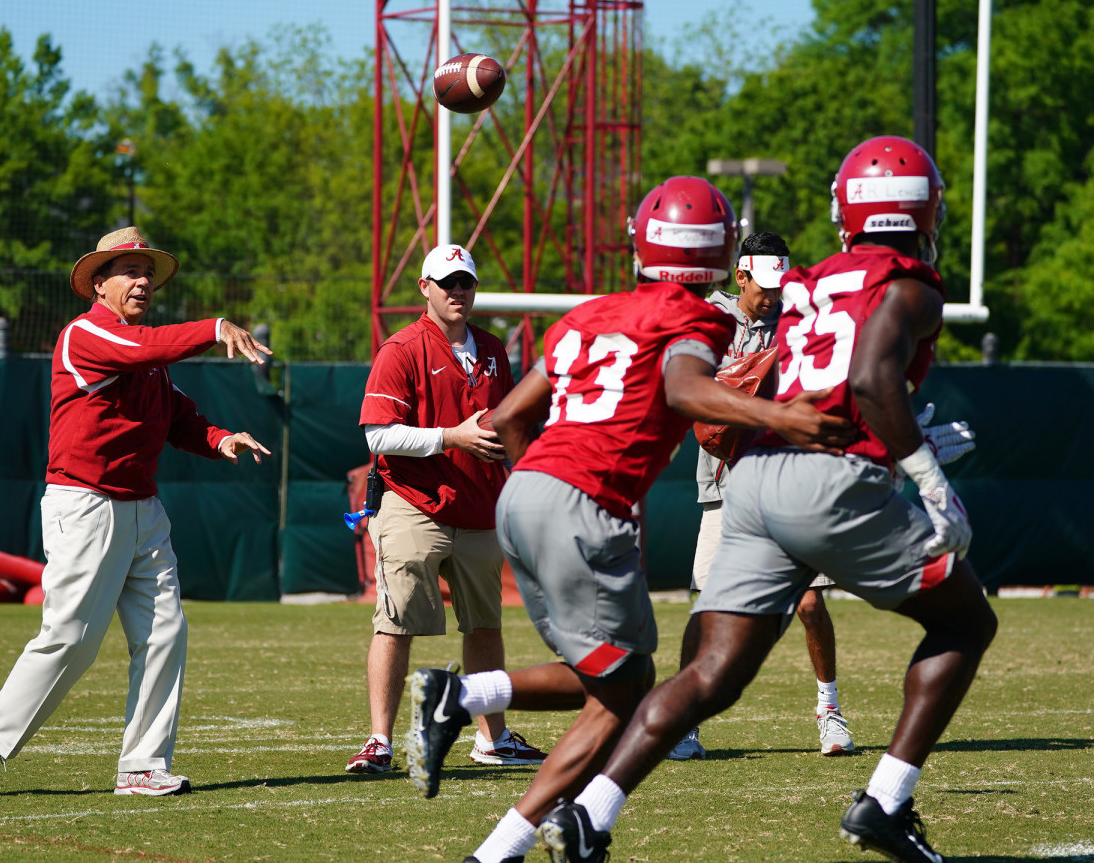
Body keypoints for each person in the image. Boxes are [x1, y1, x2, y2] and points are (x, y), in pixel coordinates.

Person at [537, 136, 998, 863]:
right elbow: (876, 379)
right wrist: (930, 479)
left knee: (711, 674)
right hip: (829, 479)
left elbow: (822, 378)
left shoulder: (812, 279)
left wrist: (891, 437)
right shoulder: (913, 284)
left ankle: (591, 812)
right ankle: (884, 803)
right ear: (924, 208)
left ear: (848, 210)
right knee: (967, 624)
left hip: (752, 478)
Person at [402, 177, 854, 863]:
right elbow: (685, 388)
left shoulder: (589, 314)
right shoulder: (701, 320)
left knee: (615, 686)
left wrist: (540, 481)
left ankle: (505, 844)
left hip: (523, 492)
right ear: (717, 256)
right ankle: (460, 697)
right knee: (632, 686)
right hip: (583, 504)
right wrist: (782, 414)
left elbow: (507, 418)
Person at [0, 226, 274, 798]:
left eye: (147, 271)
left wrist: (220, 438)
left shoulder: (143, 354)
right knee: (71, 638)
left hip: (141, 507)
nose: (143, 280)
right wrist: (214, 327)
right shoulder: (87, 336)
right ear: (98, 284)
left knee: (164, 635)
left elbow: (177, 415)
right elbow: (144, 349)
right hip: (85, 505)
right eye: (128, 270)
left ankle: (142, 764)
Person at [345, 244, 546, 775]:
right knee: (397, 622)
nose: (458, 291)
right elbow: (377, 434)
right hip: (415, 503)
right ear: (424, 287)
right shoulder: (401, 348)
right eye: (447, 282)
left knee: (485, 625)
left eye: (466, 283)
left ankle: (493, 739)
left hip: (480, 504)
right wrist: (452, 437)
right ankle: (380, 741)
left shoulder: (494, 349)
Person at [671, 230, 855, 761]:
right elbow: (686, 388)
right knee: (707, 604)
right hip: (723, 479)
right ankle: (685, 717)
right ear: (740, 276)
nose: (773, 296)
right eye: (765, 287)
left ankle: (829, 709)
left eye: (781, 286)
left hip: (786, 475)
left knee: (809, 600)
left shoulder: (798, 320)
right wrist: (733, 386)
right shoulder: (708, 319)